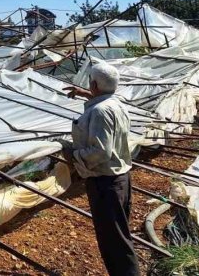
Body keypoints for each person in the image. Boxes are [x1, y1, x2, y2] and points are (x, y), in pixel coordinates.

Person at [62, 63, 139, 276]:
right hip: (121, 179)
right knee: (119, 237)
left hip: (106, 185)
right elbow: (104, 104)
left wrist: (73, 155)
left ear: (94, 84)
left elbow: (100, 152)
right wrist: (85, 94)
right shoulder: (117, 104)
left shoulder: (99, 112)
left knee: (114, 244)